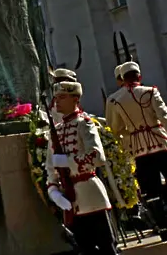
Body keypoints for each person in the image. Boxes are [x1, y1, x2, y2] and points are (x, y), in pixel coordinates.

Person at [105, 61, 167, 241]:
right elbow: (165, 116)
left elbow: (115, 128)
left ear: (122, 79)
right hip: (160, 142)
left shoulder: (115, 99)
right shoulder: (150, 92)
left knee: (150, 189)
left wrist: (131, 132)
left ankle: (163, 228)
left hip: (138, 149)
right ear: (139, 76)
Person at [45, 81, 117, 255]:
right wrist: (53, 191)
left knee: (106, 246)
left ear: (75, 99)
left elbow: (97, 156)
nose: (57, 102)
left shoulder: (83, 123)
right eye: (55, 98)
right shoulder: (57, 130)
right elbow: (50, 167)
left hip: (91, 195)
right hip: (70, 200)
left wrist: (68, 162)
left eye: (62, 97)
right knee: (84, 249)